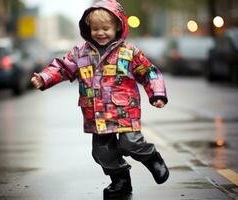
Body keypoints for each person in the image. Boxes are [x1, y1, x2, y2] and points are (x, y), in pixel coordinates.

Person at [31, 0, 169, 198]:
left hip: (125, 109)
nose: (100, 32)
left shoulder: (129, 52)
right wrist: (43, 77)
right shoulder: (80, 53)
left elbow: (149, 73)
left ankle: (152, 158)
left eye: (106, 28)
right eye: (95, 28)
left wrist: (157, 94)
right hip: (97, 113)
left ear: (118, 26)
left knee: (131, 142)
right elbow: (62, 67)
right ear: (88, 29)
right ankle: (120, 180)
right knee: (102, 152)